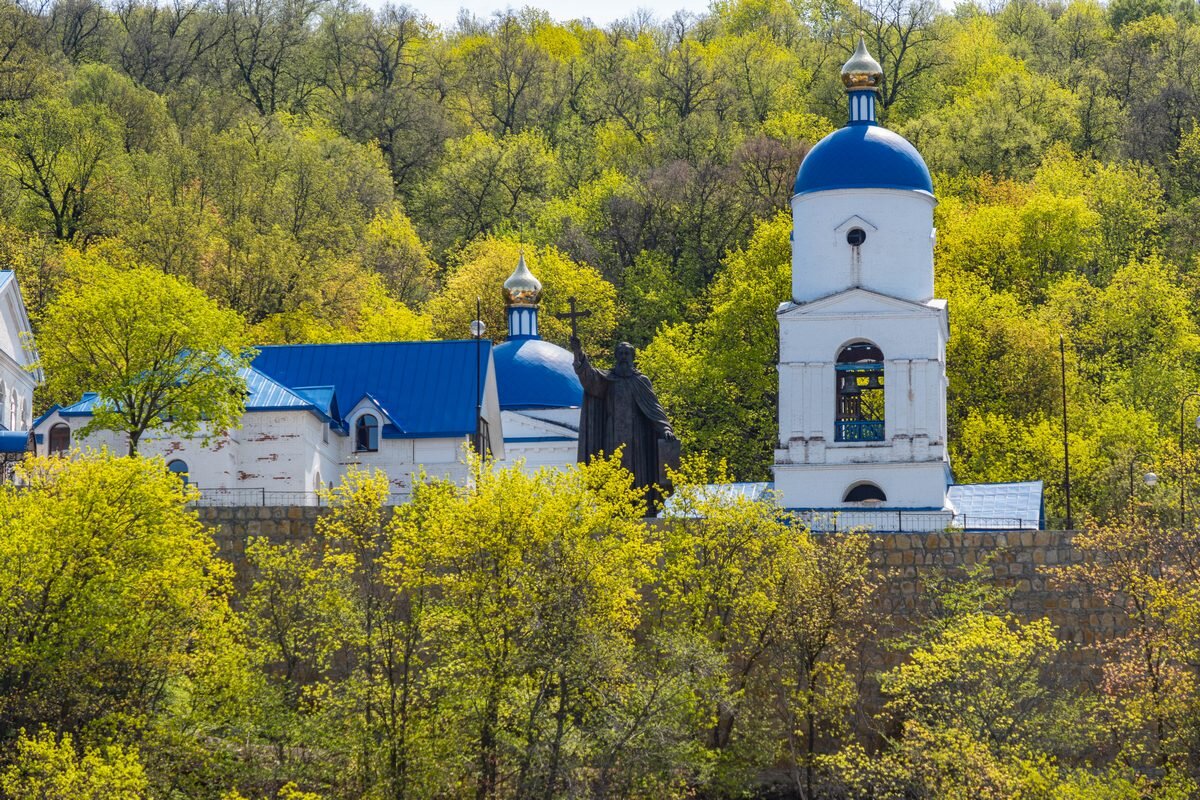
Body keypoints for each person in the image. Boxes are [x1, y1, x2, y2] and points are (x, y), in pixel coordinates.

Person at [571, 337, 678, 509]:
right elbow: (589, 379)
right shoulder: (608, 380)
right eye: (620, 353)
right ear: (615, 356)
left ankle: (641, 506)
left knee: (639, 473)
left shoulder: (641, 381)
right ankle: (614, 506)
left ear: (633, 357)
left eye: (627, 353)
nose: (623, 356)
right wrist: (578, 353)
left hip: (638, 438)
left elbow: (654, 408)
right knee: (614, 469)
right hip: (612, 436)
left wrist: (665, 428)